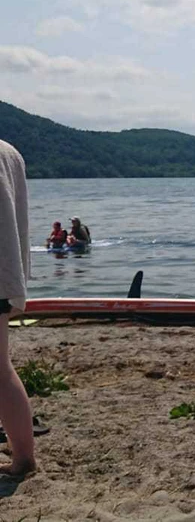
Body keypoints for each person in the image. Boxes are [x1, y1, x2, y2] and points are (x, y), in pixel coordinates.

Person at [0, 140, 37, 477]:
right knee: (1, 368)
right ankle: (24, 455)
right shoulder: (10, 152)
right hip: (4, 271)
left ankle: (24, 457)